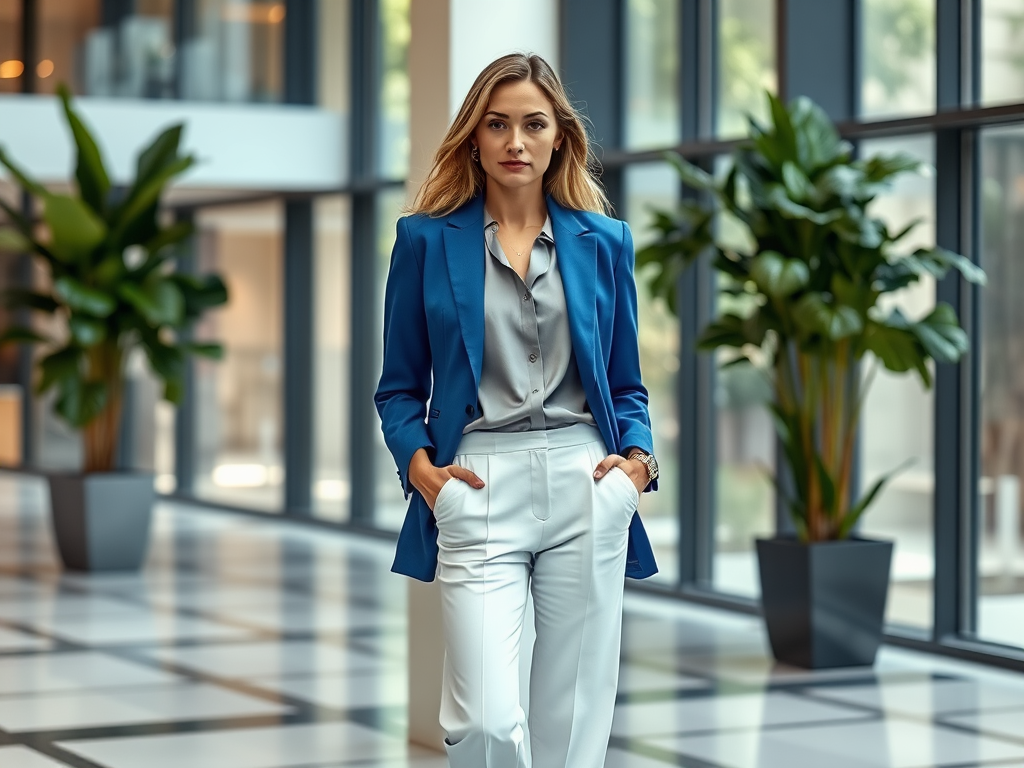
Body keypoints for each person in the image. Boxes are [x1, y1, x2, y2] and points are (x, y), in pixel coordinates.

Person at [375, 52, 659, 768]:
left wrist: (635, 466)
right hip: (476, 484)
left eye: (533, 124)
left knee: (571, 729)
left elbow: (626, 383)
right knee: (486, 724)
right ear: (473, 136)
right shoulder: (422, 241)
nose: (514, 142)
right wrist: (422, 471)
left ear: (559, 135)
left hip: (585, 481)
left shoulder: (605, 244)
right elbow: (398, 387)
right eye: (496, 124)